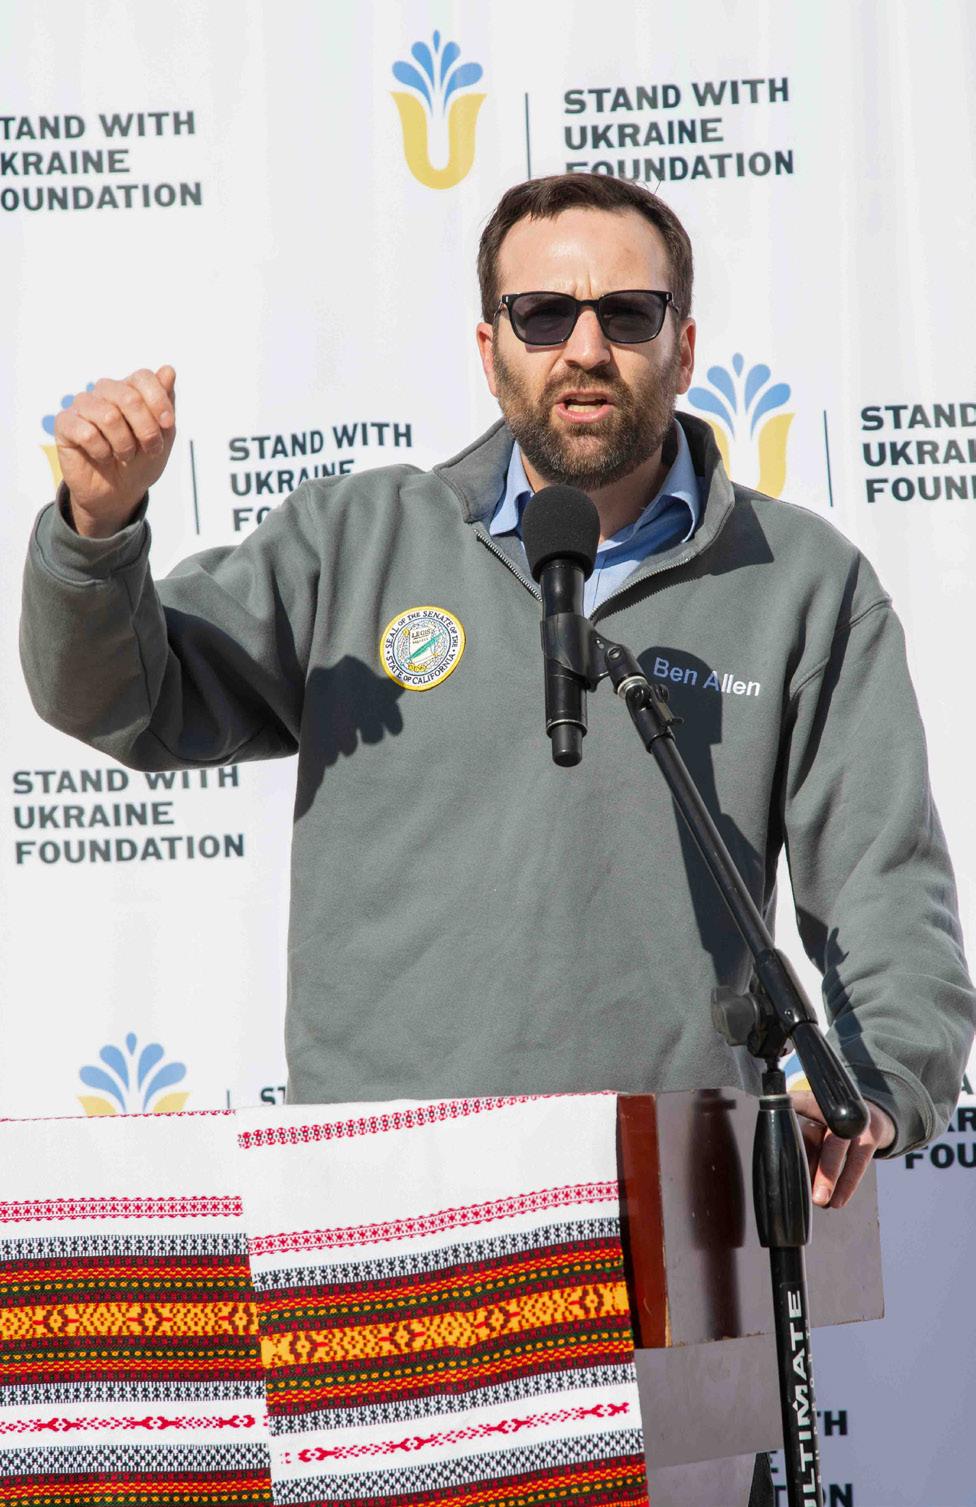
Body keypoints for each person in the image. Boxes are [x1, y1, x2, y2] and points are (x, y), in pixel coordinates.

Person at [20, 175, 972, 1223]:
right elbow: (125, 698)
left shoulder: (802, 582)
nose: (584, 347)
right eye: (543, 314)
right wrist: (96, 529)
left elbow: (885, 889)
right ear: (490, 350)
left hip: (667, 1199)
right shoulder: (356, 543)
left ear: (685, 347)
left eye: (628, 313)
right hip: (377, 1197)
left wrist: (875, 1086)